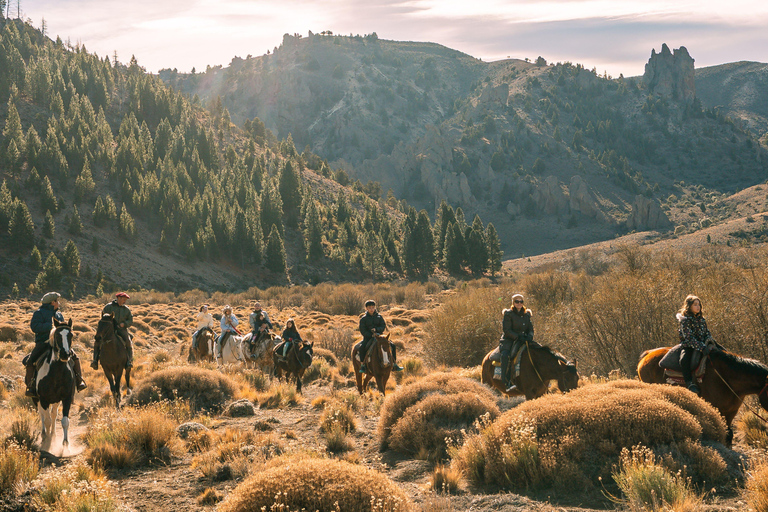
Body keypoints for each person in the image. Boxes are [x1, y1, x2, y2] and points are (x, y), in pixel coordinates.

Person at [24, 292, 87, 397]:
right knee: (30, 360)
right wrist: (50, 326)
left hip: (58, 344)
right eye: (57, 301)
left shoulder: (58, 314)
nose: (58, 303)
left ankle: (79, 381)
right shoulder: (39, 313)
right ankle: (30, 386)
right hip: (43, 343)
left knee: (75, 357)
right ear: (52, 302)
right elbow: (34, 327)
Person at [677, 295, 716, 395]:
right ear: (689, 306)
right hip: (689, 346)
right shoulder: (685, 320)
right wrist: (702, 347)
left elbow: (707, 332)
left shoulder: (702, 320)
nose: (698, 307)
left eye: (699, 304)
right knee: (684, 360)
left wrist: (709, 341)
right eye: (695, 305)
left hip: (703, 344)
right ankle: (689, 383)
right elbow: (689, 338)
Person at [499, 293, 534, 394]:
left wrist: (530, 336)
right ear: (513, 303)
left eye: (521, 301)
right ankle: (506, 381)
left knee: (540, 350)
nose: (519, 303)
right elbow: (506, 330)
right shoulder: (508, 314)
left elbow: (530, 329)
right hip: (509, 340)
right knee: (506, 355)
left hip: (524, 339)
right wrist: (518, 336)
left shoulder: (527, 314)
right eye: (517, 301)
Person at [358, 299, 402, 374]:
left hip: (379, 336)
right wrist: (370, 334)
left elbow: (383, 326)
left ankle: (394, 364)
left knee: (392, 345)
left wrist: (377, 330)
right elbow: (362, 330)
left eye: (373, 307)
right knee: (362, 348)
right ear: (366, 309)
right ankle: (363, 365)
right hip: (368, 338)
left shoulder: (379, 317)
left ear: (375, 308)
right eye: (369, 308)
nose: (371, 309)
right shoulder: (363, 319)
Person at [96, 292, 134, 369]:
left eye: (125, 300)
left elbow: (130, 320)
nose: (125, 301)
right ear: (118, 298)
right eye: (123, 299)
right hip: (108, 330)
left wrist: (124, 324)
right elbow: (103, 319)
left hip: (121, 329)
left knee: (128, 341)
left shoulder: (126, 310)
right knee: (97, 341)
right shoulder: (108, 307)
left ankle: (129, 361)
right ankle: (95, 360)